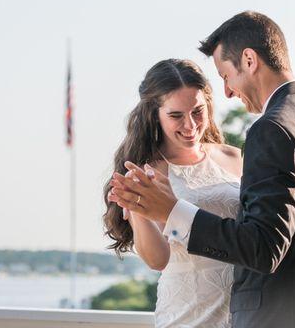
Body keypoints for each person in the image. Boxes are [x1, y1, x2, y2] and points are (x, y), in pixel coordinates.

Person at [110, 11, 295, 328]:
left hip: (276, 316)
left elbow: (265, 247)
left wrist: (173, 211)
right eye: (176, 115)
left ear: (249, 61)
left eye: (226, 76)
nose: (227, 91)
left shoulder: (271, 130)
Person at [103, 58, 244, 327]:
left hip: (244, 315)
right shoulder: (147, 173)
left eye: (198, 111)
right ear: (154, 114)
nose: (190, 125)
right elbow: (158, 260)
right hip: (187, 316)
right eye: (176, 115)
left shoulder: (233, 157)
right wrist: (135, 208)